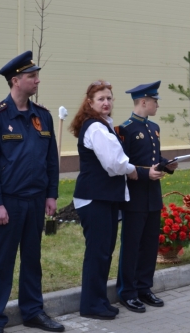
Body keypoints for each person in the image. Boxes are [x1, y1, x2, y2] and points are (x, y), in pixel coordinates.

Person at [0, 51, 64, 333]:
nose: (37, 80)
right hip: (8, 204)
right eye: (32, 76)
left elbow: (52, 159)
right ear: (16, 81)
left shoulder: (43, 116)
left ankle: (32, 311)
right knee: (1, 263)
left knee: (32, 259)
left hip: (36, 200)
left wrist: (51, 194)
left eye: (36, 75)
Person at [69, 81, 138, 320]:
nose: (106, 102)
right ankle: (90, 305)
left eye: (109, 98)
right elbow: (113, 163)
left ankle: (99, 300)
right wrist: (131, 168)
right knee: (97, 253)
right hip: (93, 198)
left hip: (104, 198)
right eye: (101, 99)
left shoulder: (103, 125)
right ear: (90, 102)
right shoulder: (95, 128)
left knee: (105, 251)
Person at [116, 81, 177, 313]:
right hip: (135, 195)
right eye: (155, 101)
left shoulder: (154, 128)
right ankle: (127, 291)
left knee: (150, 244)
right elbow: (122, 165)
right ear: (143, 101)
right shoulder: (125, 129)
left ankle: (144, 287)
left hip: (153, 196)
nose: (157, 104)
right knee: (132, 245)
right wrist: (144, 174)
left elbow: (154, 156)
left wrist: (168, 165)